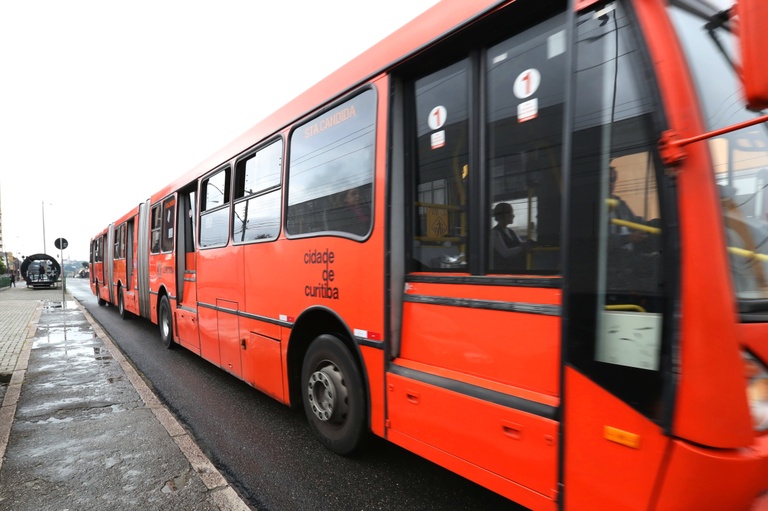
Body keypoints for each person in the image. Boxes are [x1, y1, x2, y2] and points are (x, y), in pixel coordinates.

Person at [491, 202, 531, 271]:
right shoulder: (494, 233)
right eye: (511, 213)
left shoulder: (511, 231)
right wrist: (522, 247)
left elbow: (520, 243)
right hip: (502, 270)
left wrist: (526, 244)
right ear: (504, 215)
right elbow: (505, 253)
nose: (513, 216)